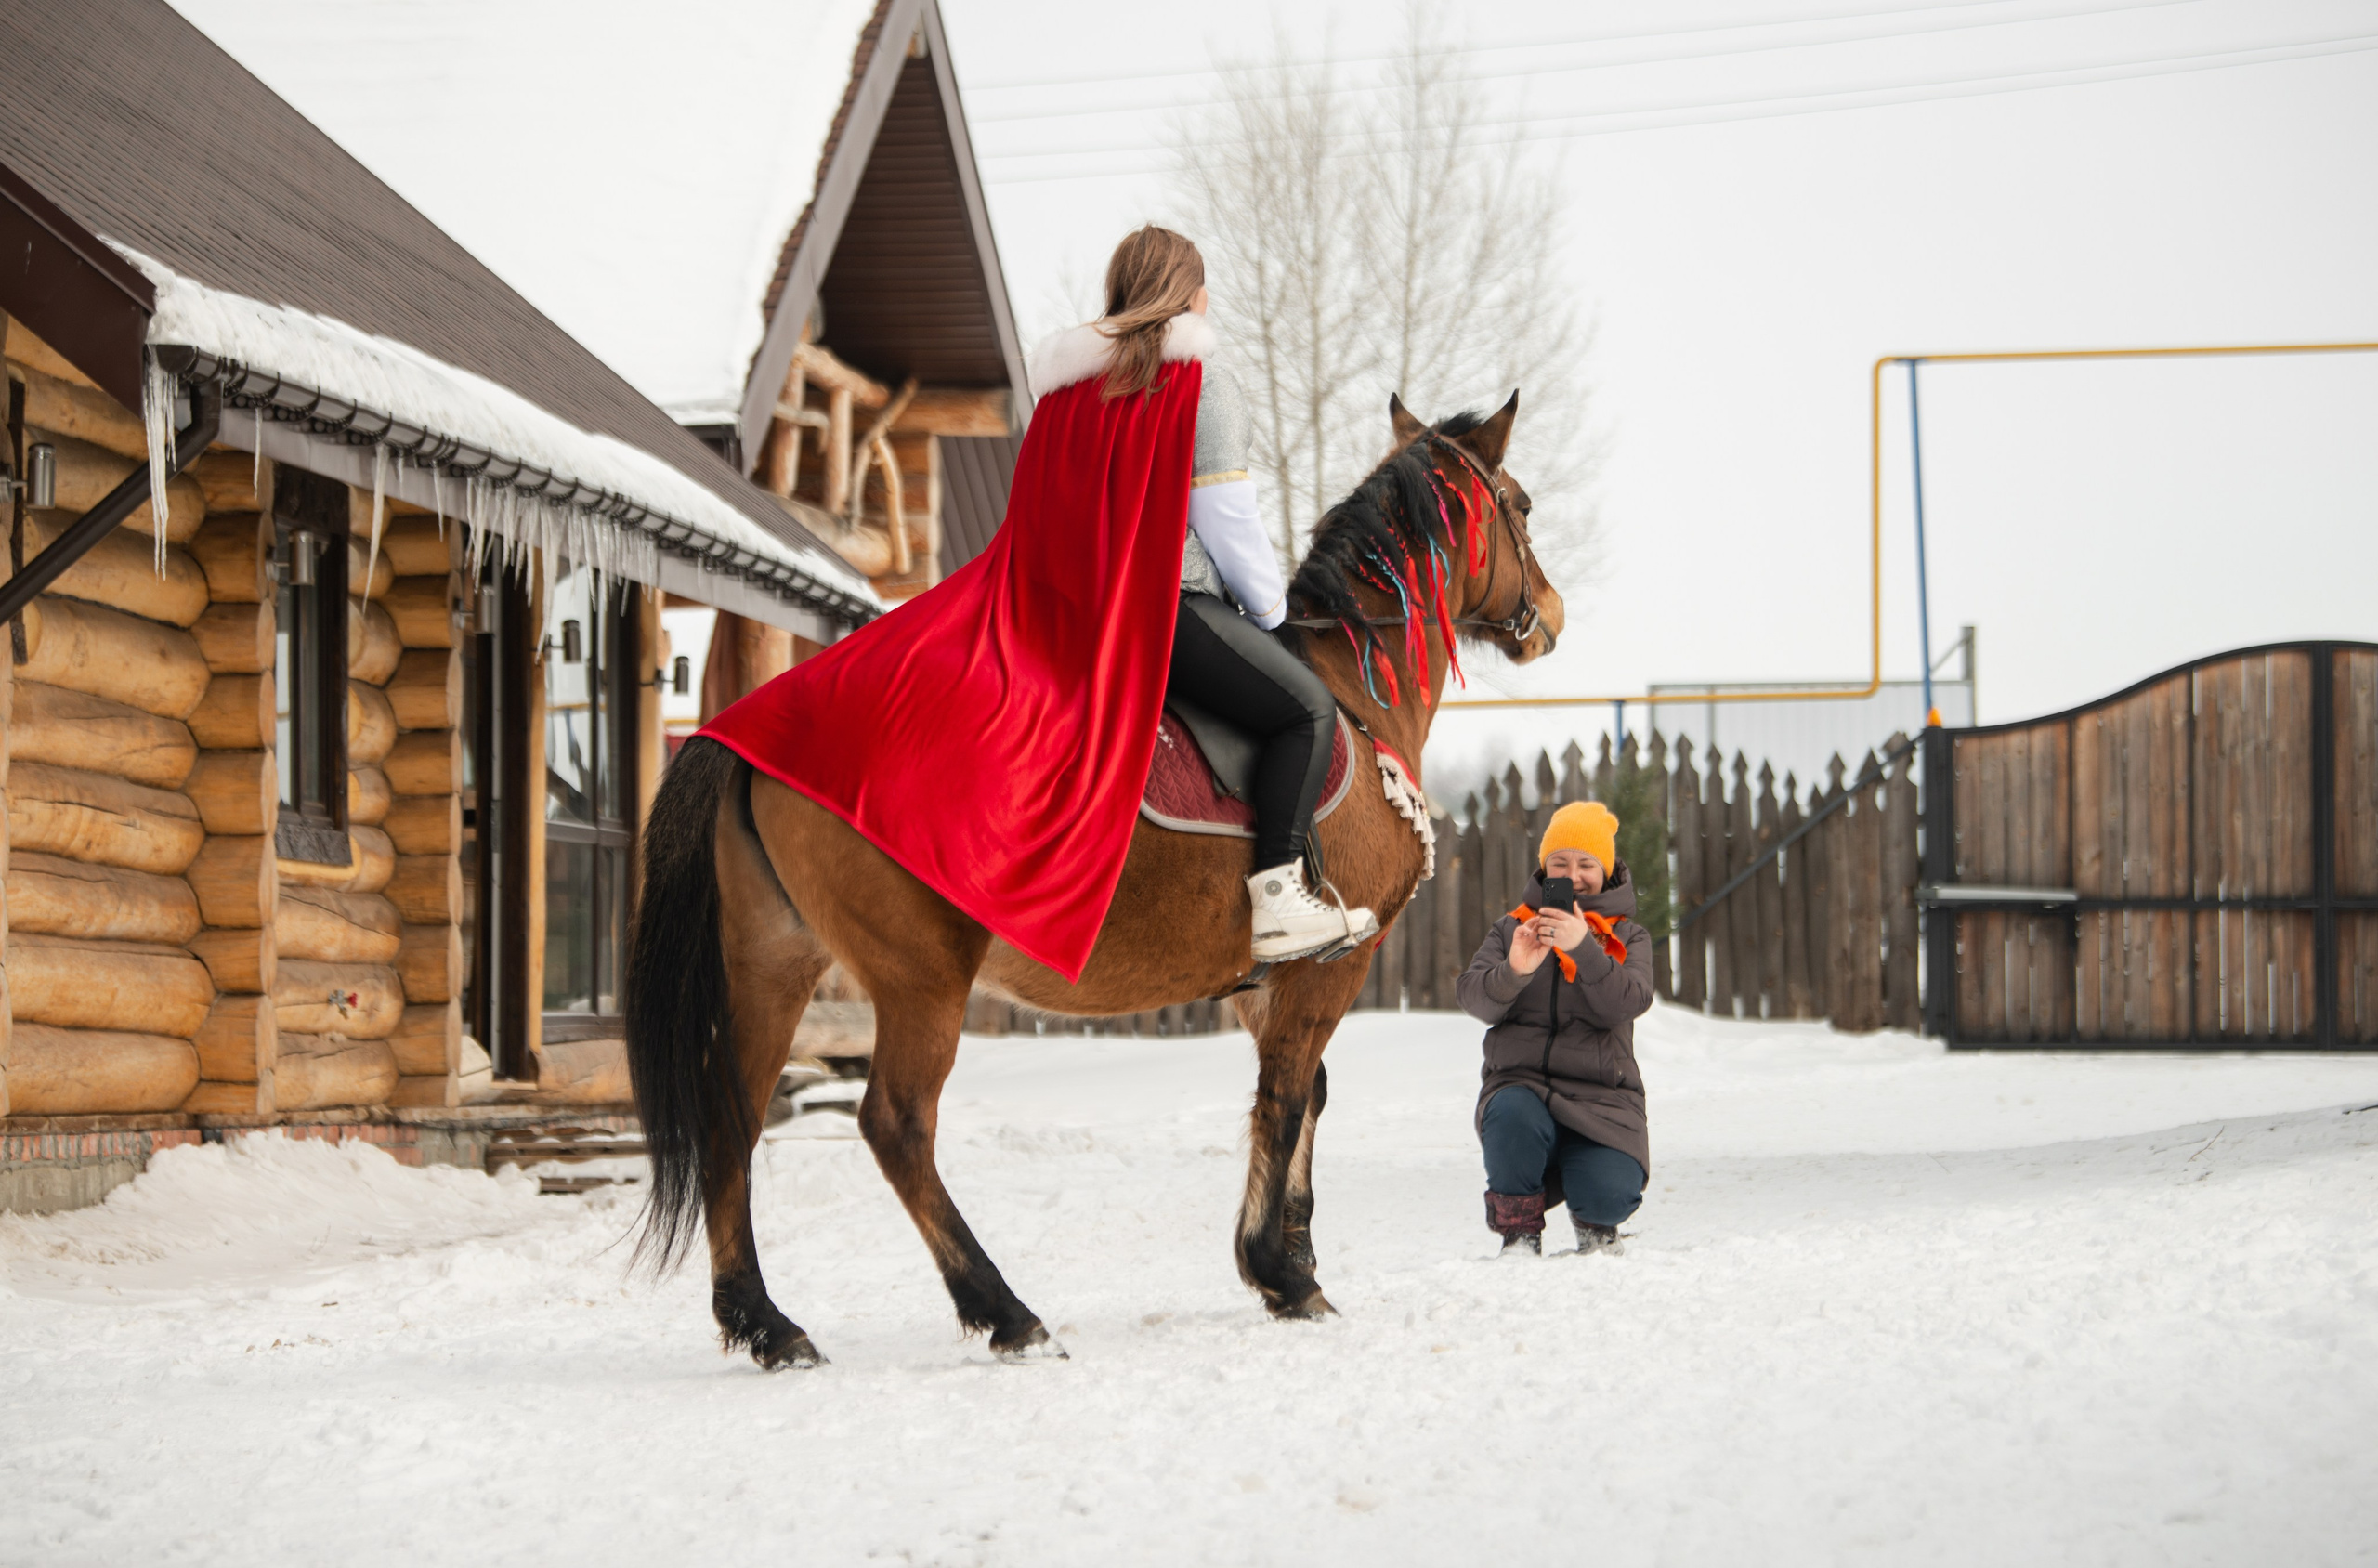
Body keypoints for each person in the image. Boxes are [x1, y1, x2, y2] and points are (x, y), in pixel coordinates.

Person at [699, 226, 1374, 977]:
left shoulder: (1064, 392)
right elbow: (1227, 520)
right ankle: (1279, 897)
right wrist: (1272, 614)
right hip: (1165, 610)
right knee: (1307, 710)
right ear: (1193, 297)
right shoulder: (1199, 382)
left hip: (1063, 617)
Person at [1455, 800, 1654, 1256]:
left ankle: (1594, 1215)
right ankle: (1519, 1235)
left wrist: (1584, 948)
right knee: (1513, 1115)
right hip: (1520, 1088)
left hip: (1602, 1097)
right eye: (1560, 862)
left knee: (1609, 1195)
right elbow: (1472, 997)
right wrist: (1514, 971)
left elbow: (1628, 1002)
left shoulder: (1629, 936)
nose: (1573, 875)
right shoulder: (1512, 928)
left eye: (1586, 864)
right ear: (1545, 868)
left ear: (1605, 871)